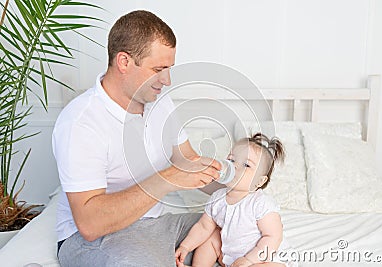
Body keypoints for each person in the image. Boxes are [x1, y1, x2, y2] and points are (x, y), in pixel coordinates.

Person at [52, 10, 221, 266]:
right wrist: (166, 179)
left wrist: (233, 180)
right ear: (124, 62)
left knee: (236, 231)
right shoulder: (81, 122)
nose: (167, 80)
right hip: (97, 238)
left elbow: (188, 162)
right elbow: (89, 223)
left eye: (169, 69)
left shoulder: (160, 103)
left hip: (156, 225)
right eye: (158, 69)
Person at [175, 133, 296, 267]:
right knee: (211, 236)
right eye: (232, 160)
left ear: (259, 181)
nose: (235, 166)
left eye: (246, 164)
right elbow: (203, 227)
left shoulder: (261, 203)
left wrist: (249, 260)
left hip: (265, 258)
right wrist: (186, 246)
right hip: (231, 257)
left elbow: (273, 237)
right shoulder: (217, 198)